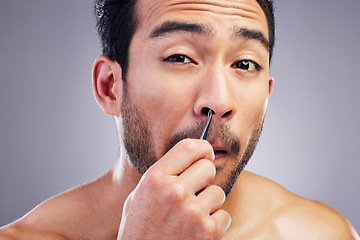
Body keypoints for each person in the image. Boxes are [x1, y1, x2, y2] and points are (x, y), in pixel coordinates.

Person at [0, 0, 358, 239]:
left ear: (267, 92)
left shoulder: (317, 233)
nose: (219, 101)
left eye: (244, 63)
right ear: (111, 87)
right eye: (181, 58)